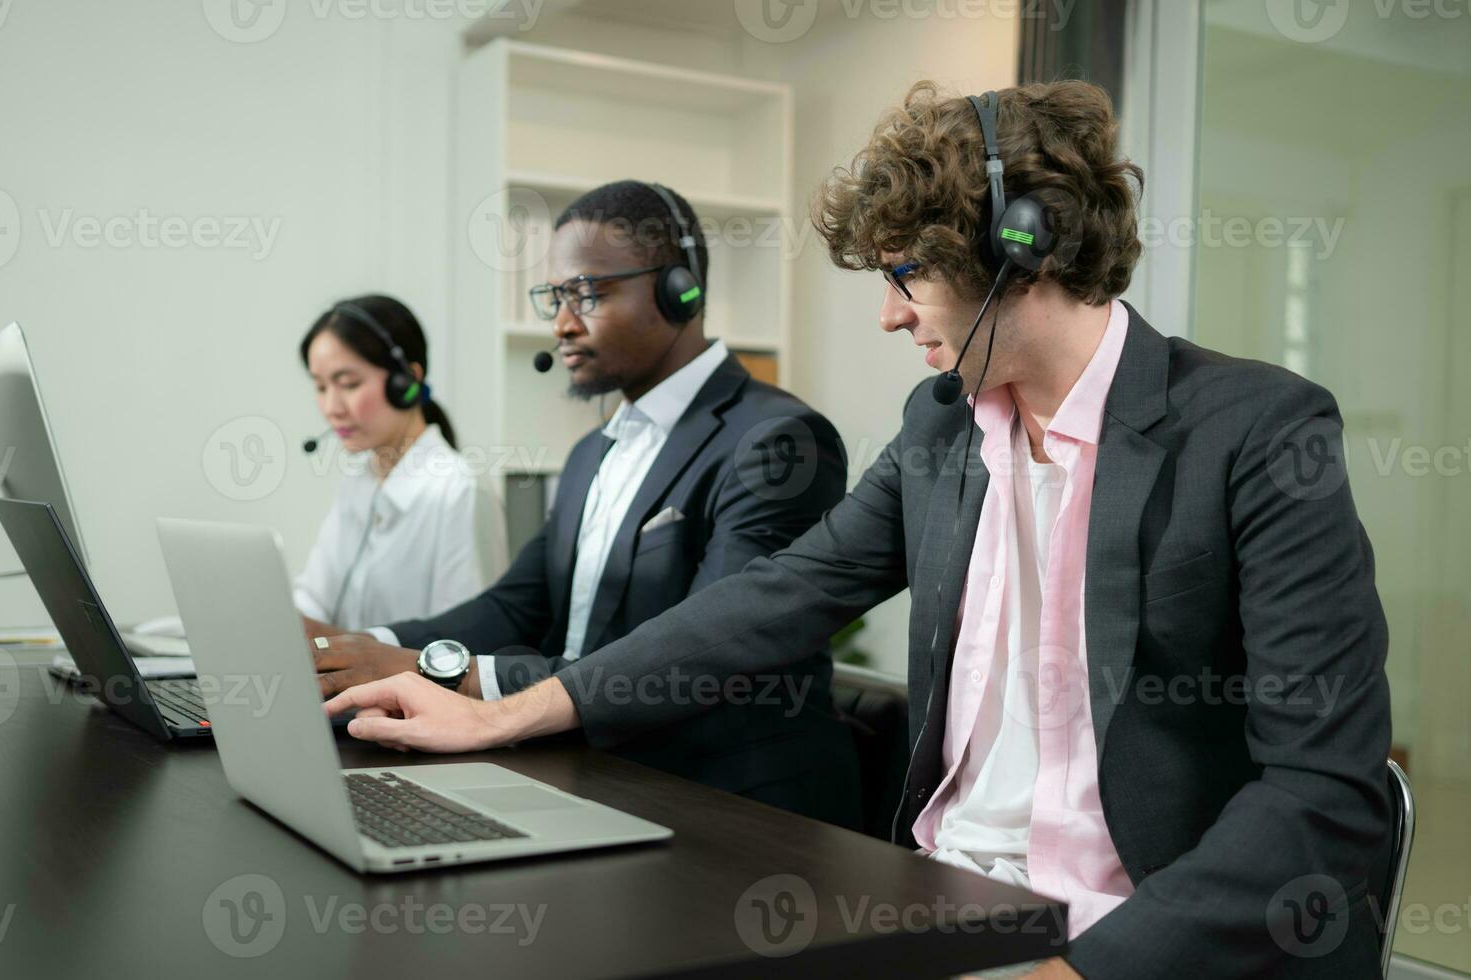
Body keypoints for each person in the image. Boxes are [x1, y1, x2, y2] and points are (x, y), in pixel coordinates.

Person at [321, 83, 1394, 979]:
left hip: (1134, 940)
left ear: (1023, 248)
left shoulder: (1255, 429)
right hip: (943, 910)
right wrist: (509, 711)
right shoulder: (941, 428)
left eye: (904, 275)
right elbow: (775, 594)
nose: (889, 314)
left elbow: (1323, 793)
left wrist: (1080, 973)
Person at [308, 181, 863, 829]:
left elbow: (708, 661)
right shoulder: (589, 455)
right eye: (555, 297)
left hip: (729, 808)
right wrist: (364, 648)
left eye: (588, 294)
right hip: (591, 769)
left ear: (678, 290)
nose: (562, 322)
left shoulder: (776, 441)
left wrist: (448, 674)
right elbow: (518, 603)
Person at [295, 295, 506, 631]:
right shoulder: (358, 480)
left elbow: (464, 642)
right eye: (320, 386)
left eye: (348, 384)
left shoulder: (458, 491)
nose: (331, 407)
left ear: (405, 382)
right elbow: (314, 600)